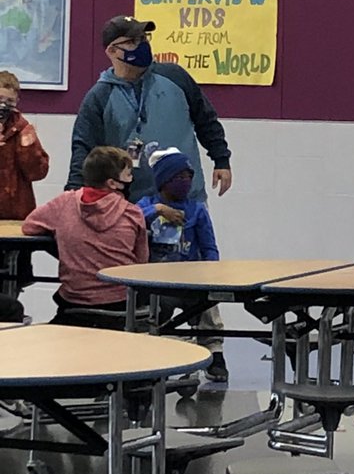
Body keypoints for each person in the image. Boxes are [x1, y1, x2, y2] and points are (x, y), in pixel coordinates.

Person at [65, 16, 233, 202]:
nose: (142, 45)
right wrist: (74, 196)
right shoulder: (99, 96)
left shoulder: (175, 77)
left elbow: (206, 120)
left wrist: (221, 159)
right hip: (132, 204)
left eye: (143, 38)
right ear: (112, 51)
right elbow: (83, 149)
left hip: (187, 198)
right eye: (131, 41)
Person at [22, 145, 148, 324]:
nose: (132, 179)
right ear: (112, 183)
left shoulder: (64, 203)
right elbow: (141, 262)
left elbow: (29, 226)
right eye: (128, 175)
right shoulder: (133, 213)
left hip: (74, 302)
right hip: (120, 303)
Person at [137, 147, 228, 384]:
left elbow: (209, 247)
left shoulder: (197, 210)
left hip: (191, 281)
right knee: (151, 314)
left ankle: (215, 352)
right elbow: (131, 219)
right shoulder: (147, 204)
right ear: (164, 181)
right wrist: (158, 211)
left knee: (210, 306)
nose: (185, 183)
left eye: (189, 178)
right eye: (179, 178)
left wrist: (212, 272)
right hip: (157, 284)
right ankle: (153, 357)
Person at [0, 70, 50, 295]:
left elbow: (38, 172)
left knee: (13, 281)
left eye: (9, 101)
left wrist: (26, 146)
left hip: (16, 218)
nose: (4, 106)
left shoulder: (24, 129)